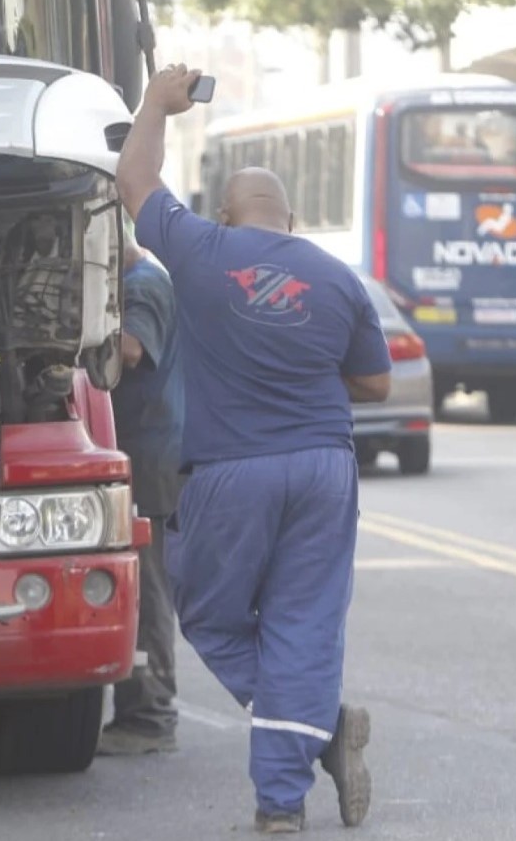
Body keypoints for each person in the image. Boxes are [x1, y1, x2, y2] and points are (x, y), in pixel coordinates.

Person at [113, 64, 391, 835]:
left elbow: (134, 178)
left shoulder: (200, 249)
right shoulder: (336, 278)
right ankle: (282, 801)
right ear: (291, 219)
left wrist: (155, 104)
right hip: (325, 470)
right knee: (304, 621)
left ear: (226, 213)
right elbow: (375, 385)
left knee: (205, 609)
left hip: (230, 472)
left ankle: (320, 729)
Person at [97, 231, 184, 756]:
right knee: (141, 580)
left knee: (147, 586)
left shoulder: (143, 285)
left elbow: (129, 350)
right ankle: (142, 709)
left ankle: (150, 716)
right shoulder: (138, 281)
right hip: (145, 451)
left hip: (151, 458)